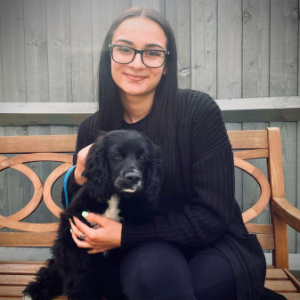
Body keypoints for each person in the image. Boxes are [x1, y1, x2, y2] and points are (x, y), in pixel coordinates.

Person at [64, 7, 286, 300]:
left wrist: (123, 236)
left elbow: (213, 214)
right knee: (153, 278)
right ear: (109, 56)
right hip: (144, 250)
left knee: (186, 289)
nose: (137, 63)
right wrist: (78, 175)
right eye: (124, 49)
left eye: (152, 53)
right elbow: (82, 204)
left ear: (167, 64)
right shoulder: (94, 128)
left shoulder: (197, 112)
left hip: (213, 244)